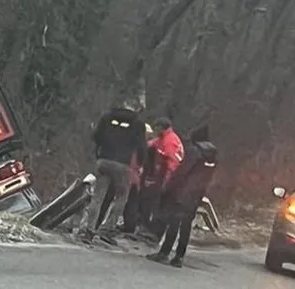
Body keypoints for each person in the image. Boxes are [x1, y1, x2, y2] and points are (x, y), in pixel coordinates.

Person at [146, 124, 218, 267]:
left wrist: (168, 188)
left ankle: (164, 253)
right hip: (196, 194)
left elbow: (181, 172)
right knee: (186, 226)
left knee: (174, 222)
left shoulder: (194, 152)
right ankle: (179, 256)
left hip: (182, 193)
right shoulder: (212, 157)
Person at [77, 102, 147, 242]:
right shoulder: (138, 123)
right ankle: (107, 230)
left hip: (104, 161)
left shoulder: (107, 117)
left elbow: (96, 136)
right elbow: (141, 147)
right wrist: (140, 163)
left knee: (98, 197)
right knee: (121, 197)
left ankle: (88, 230)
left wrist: (100, 151)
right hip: (123, 165)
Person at [137, 118, 184, 236]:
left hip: (169, 177)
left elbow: (173, 163)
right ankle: (146, 227)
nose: (155, 130)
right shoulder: (164, 138)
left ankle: (153, 232)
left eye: (157, 128)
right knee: (149, 199)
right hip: (161, 175)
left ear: (162, 127)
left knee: (157, 203)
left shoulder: (170, 141)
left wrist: (166, 182)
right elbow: (154, 143)